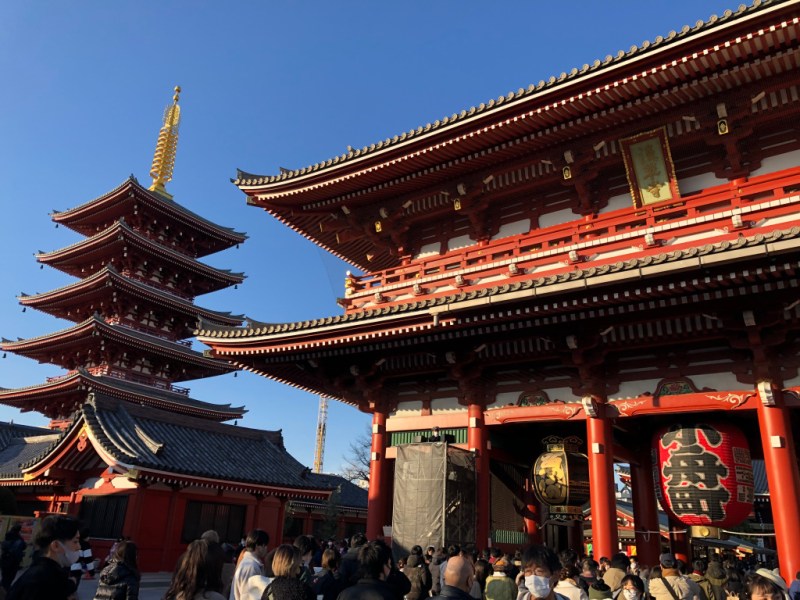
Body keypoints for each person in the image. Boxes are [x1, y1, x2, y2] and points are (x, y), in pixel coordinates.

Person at [7, 515, 80, 600]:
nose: (79, 547)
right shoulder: (43, 580)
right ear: (56, 545)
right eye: (75, 541)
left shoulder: (46, 573)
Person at [231, 530, 270, 600]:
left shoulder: (250, 563)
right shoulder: (251, 566)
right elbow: (247, 596)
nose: (266, 548)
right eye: (264, 545)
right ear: (257, 546)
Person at [0, 525, 26, 592]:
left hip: (5, 559)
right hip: (13, 561)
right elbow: (23, 546)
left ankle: (2, 587)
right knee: (10, 576)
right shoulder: (19, 539)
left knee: (4, 575)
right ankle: (5, 590)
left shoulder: (7, 536)